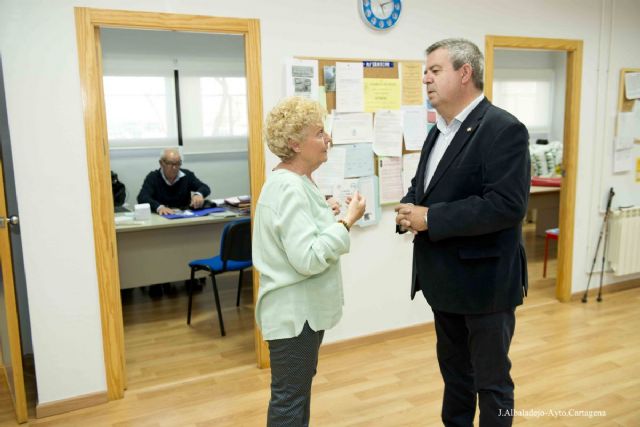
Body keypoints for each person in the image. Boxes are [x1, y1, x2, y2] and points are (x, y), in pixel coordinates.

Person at [394, 38, 530, 426]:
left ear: (465, 73)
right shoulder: (439, 131)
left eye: (435, 71)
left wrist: (430, 218)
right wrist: (407, 210)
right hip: (445, 283)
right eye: (426, 72)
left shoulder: (504, 129)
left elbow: (506, 205)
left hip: (485, 286)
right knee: (455, 379)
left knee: (491, 385)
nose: (425, 79)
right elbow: (424, 188)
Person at [253, 96, 366, 426]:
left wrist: (327, 218)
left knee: (295, 394)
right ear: (294, 143)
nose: (327, 138)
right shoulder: (289, 187)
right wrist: (346, 222)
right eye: (319, 132)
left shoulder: (296, 182)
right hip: (293, 315)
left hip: (300, 313)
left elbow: (302, 238)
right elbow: (308, 258)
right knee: (289, 401)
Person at [137, 148, 211, 216]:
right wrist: (159, 207)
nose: (175, 167)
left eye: (178, 163)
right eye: (171, 163)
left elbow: (205, 187)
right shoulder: (153, 177)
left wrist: (198, 194)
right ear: (161, 163)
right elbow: (142, 197)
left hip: (185, 216)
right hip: (162, 217)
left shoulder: (187, 175)